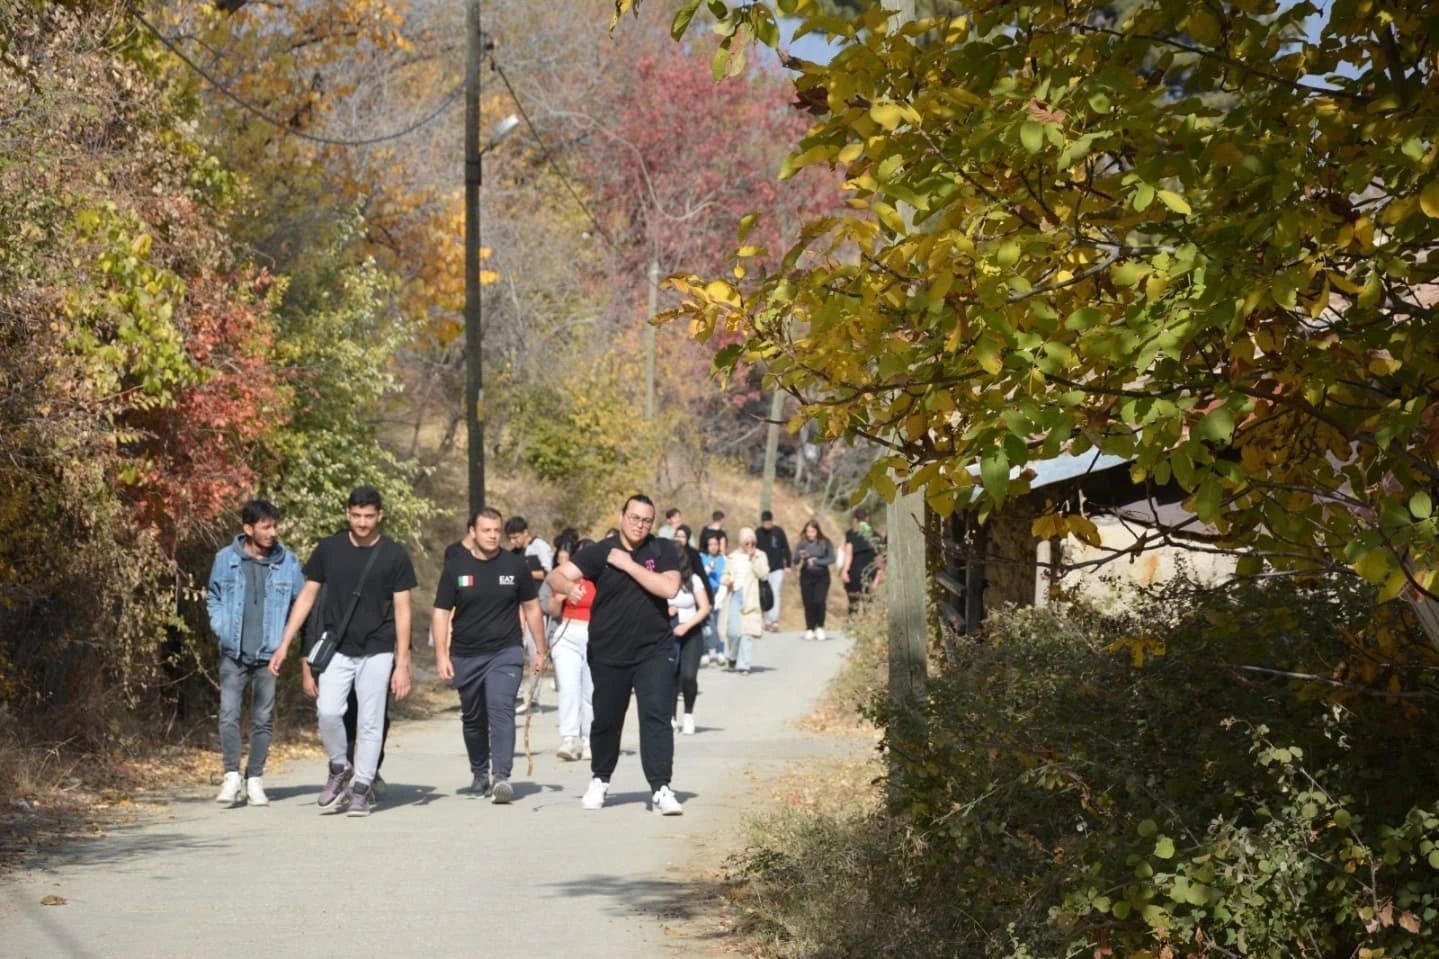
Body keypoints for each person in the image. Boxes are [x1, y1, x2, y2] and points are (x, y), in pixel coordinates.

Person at [270, 486, 417, 818]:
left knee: (370, 720)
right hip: (337, 645)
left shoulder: (394, 555)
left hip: (378, 648)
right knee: (329, 711)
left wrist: (403, 662)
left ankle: (362, 788)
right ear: (347, 514)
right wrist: (284, 643)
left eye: (368, 516)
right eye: (356, 515)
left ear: (379, 516)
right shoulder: (329, 549)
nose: (362, 522)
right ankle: (340, 765)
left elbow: (403, 609)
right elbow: (307, 597)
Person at [545, 494, 685, 815]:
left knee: (656, 716)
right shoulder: (599, 552)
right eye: (634, 517)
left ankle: (661, 788)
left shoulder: (662, 549)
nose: (640, 525)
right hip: (608, 651)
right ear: (622, 517)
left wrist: (629, 565)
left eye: (646, 520)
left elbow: (668, 588)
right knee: (606, 719)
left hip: (654, 649)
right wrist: (568, 588)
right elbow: (557, 575)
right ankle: (600, 779)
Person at [432, 508, 547, 803]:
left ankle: (501, 777)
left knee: (501, 710)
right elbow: (442, 612)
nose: (493, 536)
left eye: (497, 530)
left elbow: (532, 607)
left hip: (505, 651)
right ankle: (480, 772)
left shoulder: (515, 565)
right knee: (473, 717)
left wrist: (540, 650)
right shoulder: (456, 567)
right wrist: (442, 655)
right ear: (473, 531)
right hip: (466, 654)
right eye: (487, 530)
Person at [206, 499, 305, 807]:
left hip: (269, 654)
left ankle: (255, 779)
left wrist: (286, 643)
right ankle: (232, 776)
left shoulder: (288, 562)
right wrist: (222, 628)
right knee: (229, 714)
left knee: (262, 719)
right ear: (248, 529)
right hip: (233, 652)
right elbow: (215, 596)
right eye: (265, 527)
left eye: (275, 526)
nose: (272, 532)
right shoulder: (225, 559)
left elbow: (301, 605)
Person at [547, 537, 595, 762]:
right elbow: (552, 610)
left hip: (594, 635)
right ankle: (569, 738)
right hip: (567, 634)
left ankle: (589, 739)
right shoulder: (567, 578)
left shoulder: (603, 579)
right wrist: (564, 594)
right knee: (568, 687)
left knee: (591, 691)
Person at [505, 515, 553, 714]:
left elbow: (547, 573)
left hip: (535, 607)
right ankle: (513, 694)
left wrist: (523, 573)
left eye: (516, 537)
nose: (514, 541)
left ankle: (534, 696)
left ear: (526, 533)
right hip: (514, 610)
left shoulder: (539, 546)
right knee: (513, 653)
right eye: (511, 538)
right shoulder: (513, 553)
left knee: (536, 656)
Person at [668, 539, 711, 735]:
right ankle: (671, 717)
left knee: (688, 676)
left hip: (691, 632)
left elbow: (705, 607)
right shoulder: (661, 579)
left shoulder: (694, 581)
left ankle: (688, 714)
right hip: (668, 633)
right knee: (669, 677)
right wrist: (666, 609)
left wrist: (687, 626)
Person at [719, 527, 769, 675]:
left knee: (747, 632)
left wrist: (753, 558)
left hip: (751, 597)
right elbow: (724, 575)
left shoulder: (760, 555)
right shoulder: (733, 557)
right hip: (735, 596)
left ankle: (744, 665)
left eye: (752, 542)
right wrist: (726, 580)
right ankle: (733, 657)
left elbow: (764, 575)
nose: (749, 545)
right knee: (734, 632)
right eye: (746, 542)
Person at [792, 518, 836, 640]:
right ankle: (810, 628)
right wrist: (799, 556)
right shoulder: (802, 543)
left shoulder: (825, 542)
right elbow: (794, 560)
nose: (810, 534)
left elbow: (832, 558)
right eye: (808, 531)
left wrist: (817, 561)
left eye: (812, 531)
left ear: (817, 531)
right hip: (806, 575)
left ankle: (820, 627)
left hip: (822, 576)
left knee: (819, 601)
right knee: (808, 602)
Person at [755, 510, 791, 632]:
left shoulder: (778, 531)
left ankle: (775, 621)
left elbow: (785, 547)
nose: (767, 525)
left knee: (775, 592)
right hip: (763, 569)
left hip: (777, 568)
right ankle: (767, 621)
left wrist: (788, 564)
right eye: (765, 523)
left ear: (772, 521)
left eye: (769, 523)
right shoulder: (758, 533)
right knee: (765, 594)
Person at [839, 508, 880, 614]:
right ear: (867, 519)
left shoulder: (851, 534)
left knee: (853, 603)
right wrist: (878, 577)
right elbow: (880, 558)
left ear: (855, 520)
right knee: (868, 602)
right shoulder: (875, 534)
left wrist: (844, 571)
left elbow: (848, 553)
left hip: (854, 572)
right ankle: (867, 627)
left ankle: (853, 626)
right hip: (870, 572)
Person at [700, 533, 727, 667]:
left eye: (715, 544)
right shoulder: (702, 557)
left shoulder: (724, 559)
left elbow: (725, 576)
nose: (713, 547)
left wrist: (721, 593)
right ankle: (705, 653)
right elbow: (700, 575)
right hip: (705, 592)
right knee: (705, 624)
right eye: (710, 544)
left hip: (719, 592)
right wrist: (709, 568)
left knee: (719, 623)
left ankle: (719, 651)